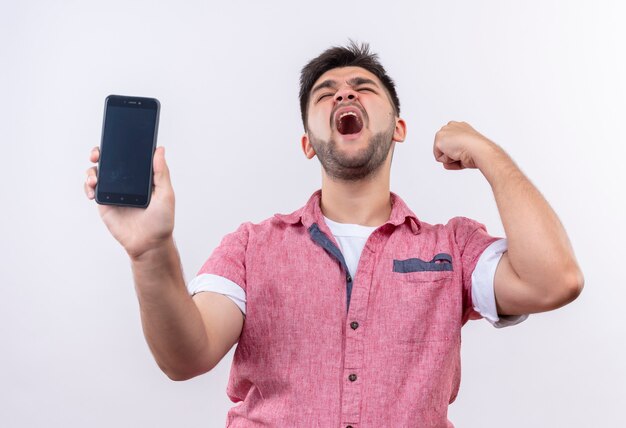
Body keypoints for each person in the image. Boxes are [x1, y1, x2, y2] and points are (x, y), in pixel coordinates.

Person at [84, 42, 583, 427]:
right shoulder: (252, 246)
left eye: (363, 87)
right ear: (308, 144)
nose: (344, 93)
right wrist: (149, 252)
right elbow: (184, 357)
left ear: (400, 127)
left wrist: (487, 153)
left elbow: (554, 280)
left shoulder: (452, 248)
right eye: (326, 93)